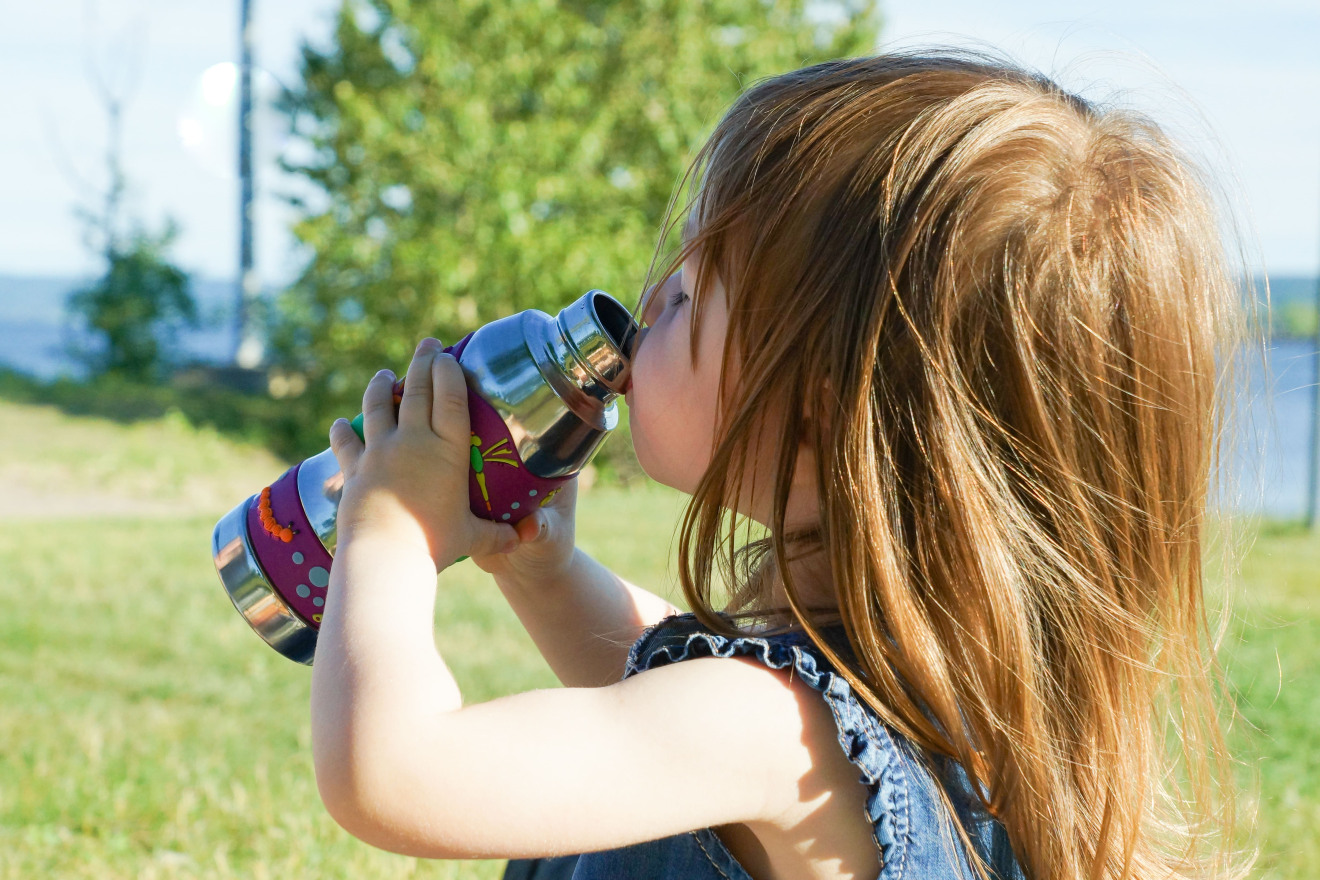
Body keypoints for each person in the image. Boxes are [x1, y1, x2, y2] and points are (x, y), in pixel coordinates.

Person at [317, 49, 1255, 880]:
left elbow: (395, 776)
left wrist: (387, 526)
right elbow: (667, 693)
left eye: (688, 293)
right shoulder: (967, 682)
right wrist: (547, 573)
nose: (648, 296)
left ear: (817, 406)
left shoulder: (763, 726)